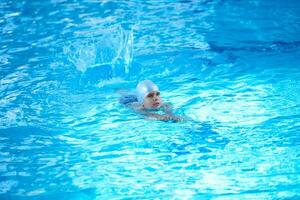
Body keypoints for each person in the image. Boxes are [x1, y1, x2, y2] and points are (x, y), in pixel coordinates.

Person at [119, 80, 183, 122]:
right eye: (150, 96)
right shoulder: (138, 109)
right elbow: (147, 115)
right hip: (128, 100)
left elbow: (171, 114)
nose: (156, 98)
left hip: (140, 97)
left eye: (157, 94)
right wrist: (160, 117)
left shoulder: (166, 105)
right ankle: (119, 89)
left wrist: (173, 116)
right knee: (125, 94)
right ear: (142, 102)